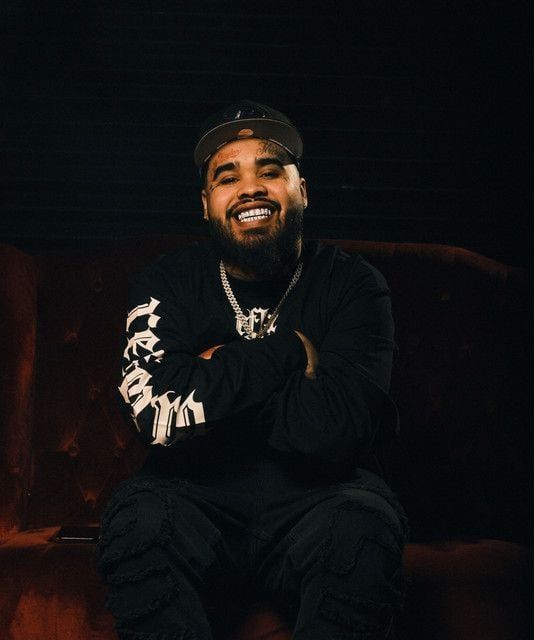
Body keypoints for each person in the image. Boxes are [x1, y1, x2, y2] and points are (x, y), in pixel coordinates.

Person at [96, 100, 409, 640]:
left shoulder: (354, 285)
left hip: (321, 499)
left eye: (270, 170)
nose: (250, 189)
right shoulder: (166, 282)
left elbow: (337, 431)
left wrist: (208, 379)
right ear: (206, 204)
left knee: (362, 530)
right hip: (190, 498)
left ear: (301, 190)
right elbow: (154, 416)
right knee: (136, 526)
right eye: (227, 177)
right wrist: (288, 354)